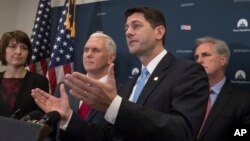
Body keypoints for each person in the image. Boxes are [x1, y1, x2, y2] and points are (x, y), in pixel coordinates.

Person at [32, 6, 209, 141]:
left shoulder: (187, 71)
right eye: (126, 28)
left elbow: (183, 131)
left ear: (159, 32)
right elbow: (106, 137)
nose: (128, 32)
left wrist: (115, 105)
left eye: (136, 26)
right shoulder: (132, 83)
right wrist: (68, 116)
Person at [194, 36, 250, 141]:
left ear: (223, 60)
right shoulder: (188, 95)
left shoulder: (243, 100)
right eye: (196, 57)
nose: (199, 61)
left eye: (205, 55)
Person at [0, 30, 49, 118]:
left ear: (28, 53)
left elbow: (41, 116)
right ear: (4, 51)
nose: (18, 52)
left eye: (24, 48)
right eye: (13, 47)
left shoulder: (40, 81)